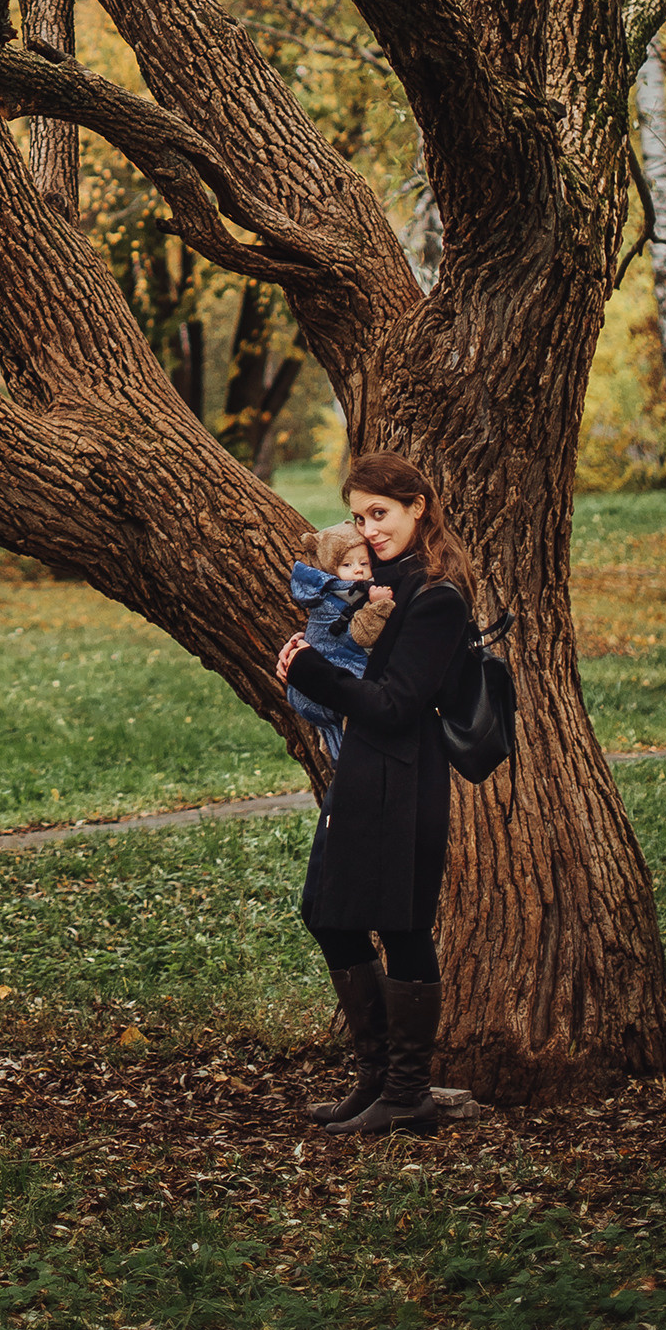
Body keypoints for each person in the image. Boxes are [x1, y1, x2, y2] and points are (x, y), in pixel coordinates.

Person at [276, 450, 475, 1135]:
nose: (370, 528)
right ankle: (375, 1081)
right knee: (326, 912)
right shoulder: (382, 578)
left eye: (381, 513)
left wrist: (310, 674)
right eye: (360, 516)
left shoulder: (439, 597)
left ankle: (406, 1093)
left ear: (419, 505)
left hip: (404, 775)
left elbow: (394, 704)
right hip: (366, 770)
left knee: (403, 926)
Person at [285, 523, 394, 764]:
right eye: (347, 565)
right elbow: (362, 635)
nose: (358, 571)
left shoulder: (329, 593)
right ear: (329, 567)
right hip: (333, 682)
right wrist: (379, 606)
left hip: (313, 685)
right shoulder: (342, 599)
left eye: (364, 564)